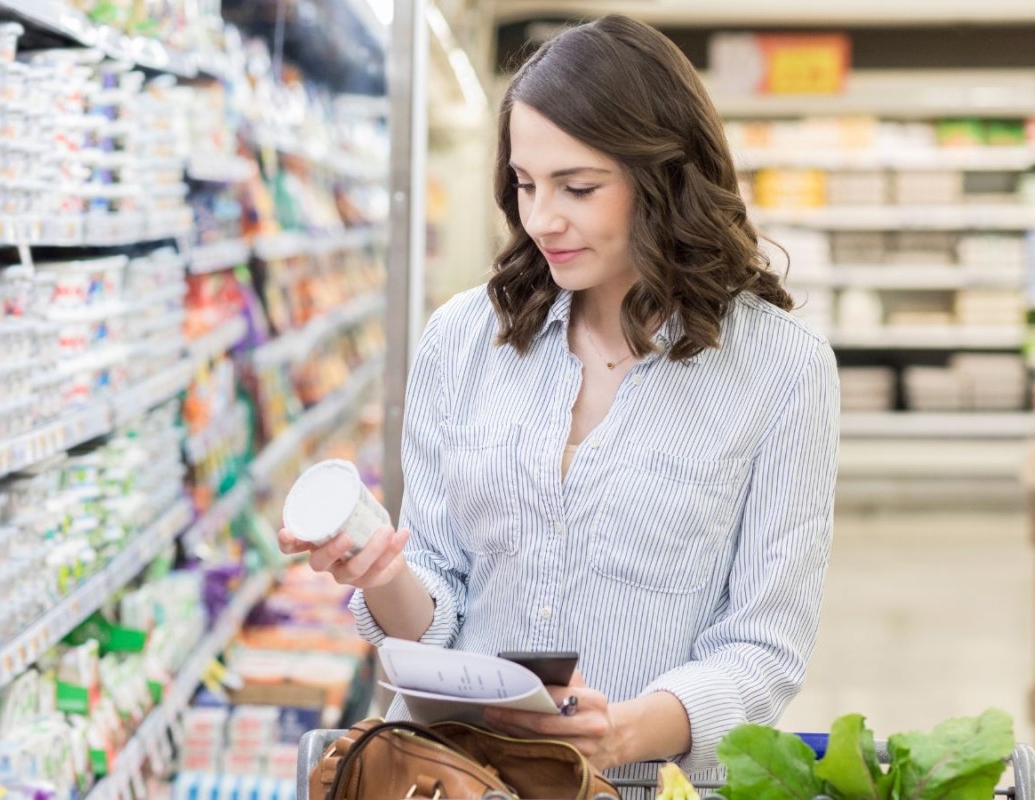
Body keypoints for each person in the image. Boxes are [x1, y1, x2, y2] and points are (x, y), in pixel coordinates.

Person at [278, 13, 839, 785]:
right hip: (458, 779)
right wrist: (383, 577)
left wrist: (627, 731)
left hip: (643, 786)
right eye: (525, 184)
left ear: (665, 177)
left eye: (578, 187)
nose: (542, 219)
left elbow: (764, 649)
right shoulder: (464, 340)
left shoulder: (782, 370)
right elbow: (438, 596)